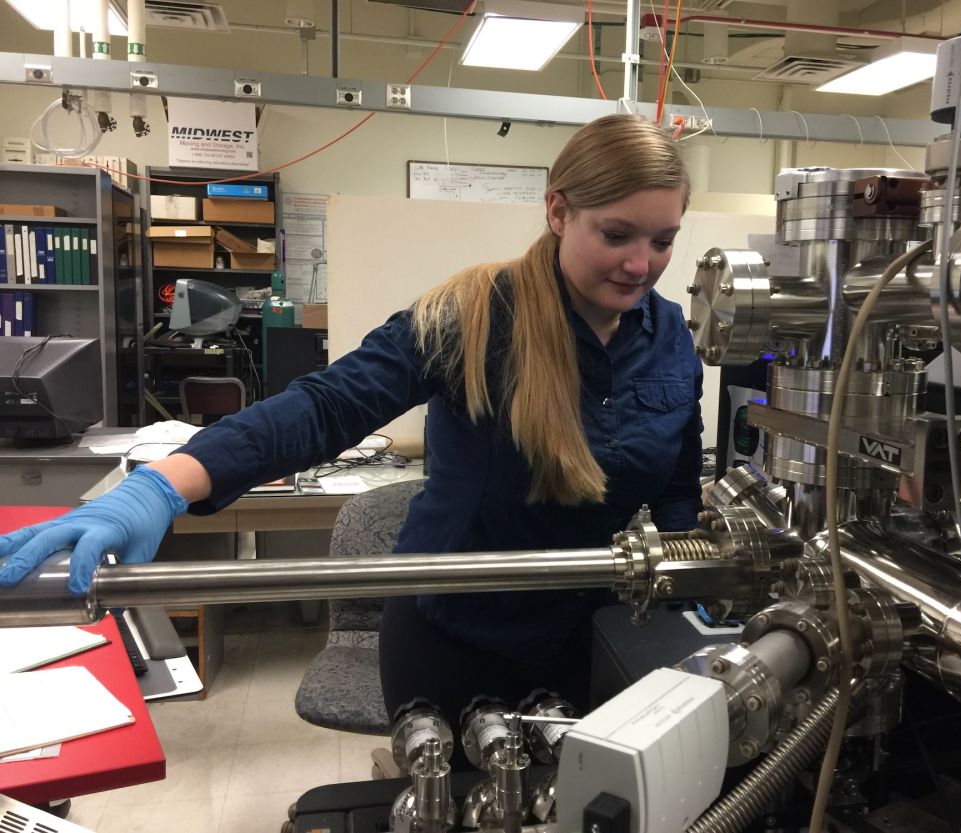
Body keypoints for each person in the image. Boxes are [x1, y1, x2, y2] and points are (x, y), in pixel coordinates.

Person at [0, 113, 703, 746]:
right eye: (616, 235)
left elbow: (674, 495)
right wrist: (160, 486)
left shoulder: (673, 341)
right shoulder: (472, 315)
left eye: (663, 240)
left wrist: (692, 591)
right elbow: (326, 406)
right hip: (459, 646)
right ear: (557, 210)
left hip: (596, 641)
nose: (641, 264)